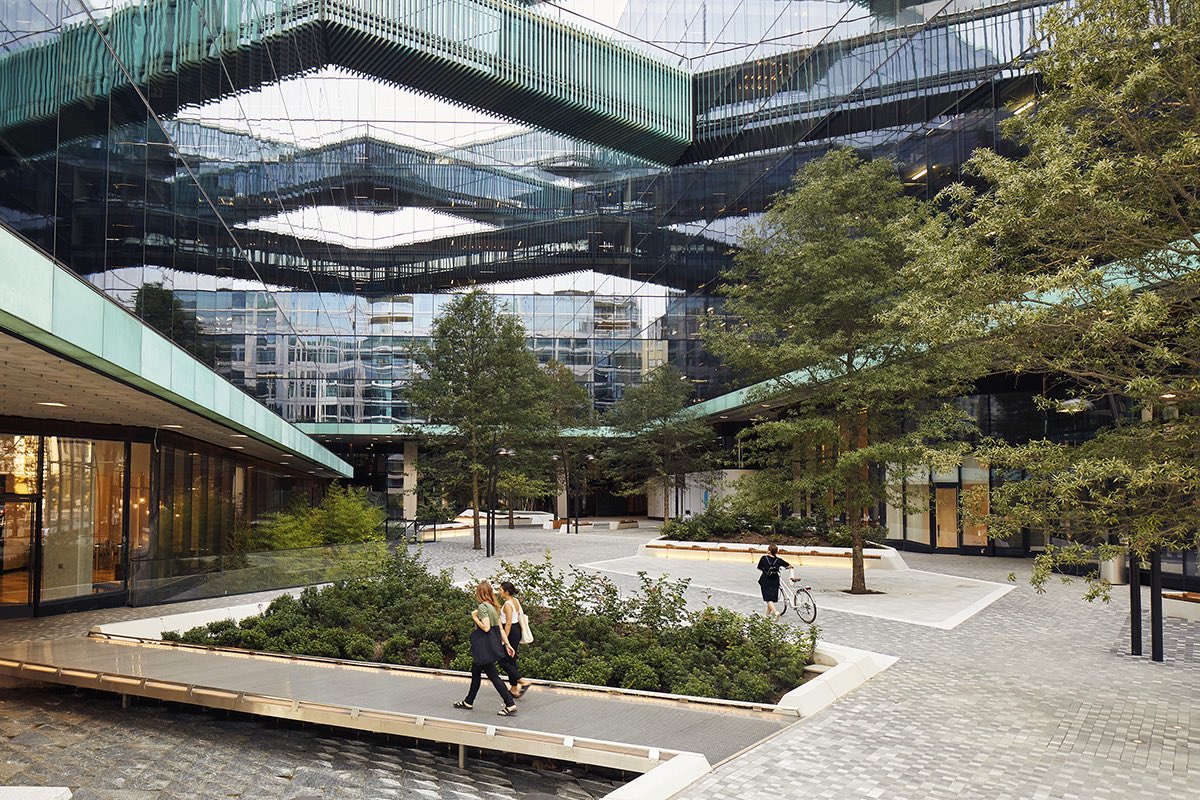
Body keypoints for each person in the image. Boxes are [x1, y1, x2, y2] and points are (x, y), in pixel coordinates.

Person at [453, 581, 518, 715]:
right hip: (489, 646)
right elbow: (500, 628)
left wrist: (474, 617)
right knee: (476, 673)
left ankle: (510, 704)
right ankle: (469, 701)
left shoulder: (483, 607)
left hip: (484, 647)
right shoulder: (494, 607)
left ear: (479, 593)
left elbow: (486, 627)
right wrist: (507, 644)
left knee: (493, 676)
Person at [498, 581, 531, 699]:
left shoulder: (507, 604)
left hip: (510, 632)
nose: (499, 592)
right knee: (511, 660)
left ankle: (522, 681)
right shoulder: (515, 601)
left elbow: (508, 623)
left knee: (502, 661)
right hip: (516, 630)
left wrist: (504, 640)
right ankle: (513, 689)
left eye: (500, 590)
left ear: (506, 592)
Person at [756, 543, 794, 618]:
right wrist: (782, 568)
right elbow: (789, 565)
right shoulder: (779, 560)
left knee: (768, 599)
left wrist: (766, 569)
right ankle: (767, 615)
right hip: (775, 580)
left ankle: (775, 613)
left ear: (769, 551)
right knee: (771, 599)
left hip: (765, 580)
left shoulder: (764, 558)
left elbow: (759, 567)